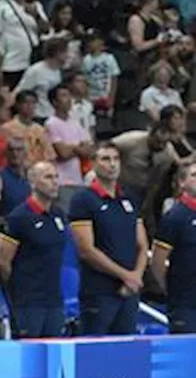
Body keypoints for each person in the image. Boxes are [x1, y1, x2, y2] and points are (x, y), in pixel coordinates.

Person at [69, 143, 148, 335]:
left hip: (129, 291)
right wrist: (125, 275)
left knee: (126, 350)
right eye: (105, 159)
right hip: (99, 291)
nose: (112, 164)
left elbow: (142, 244)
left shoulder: (129, 198)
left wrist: (136, 275)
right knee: (95, 351)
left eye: (116, 159)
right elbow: (86, 250)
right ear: (93, 164)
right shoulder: (83, 200)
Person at [0, 161, 68, 338]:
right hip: (28, 303)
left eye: (56, 177)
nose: (54, 182)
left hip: (54, 300)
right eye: (48, 177)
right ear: (33, 182)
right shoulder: (19, 217)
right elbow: (2, 262)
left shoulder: (58, 215)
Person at [152, 158, 196, 333]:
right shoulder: (175, 217)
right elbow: (157, 261)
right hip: (185, 304)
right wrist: (170, 287)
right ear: (182, 182)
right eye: (194, 175)